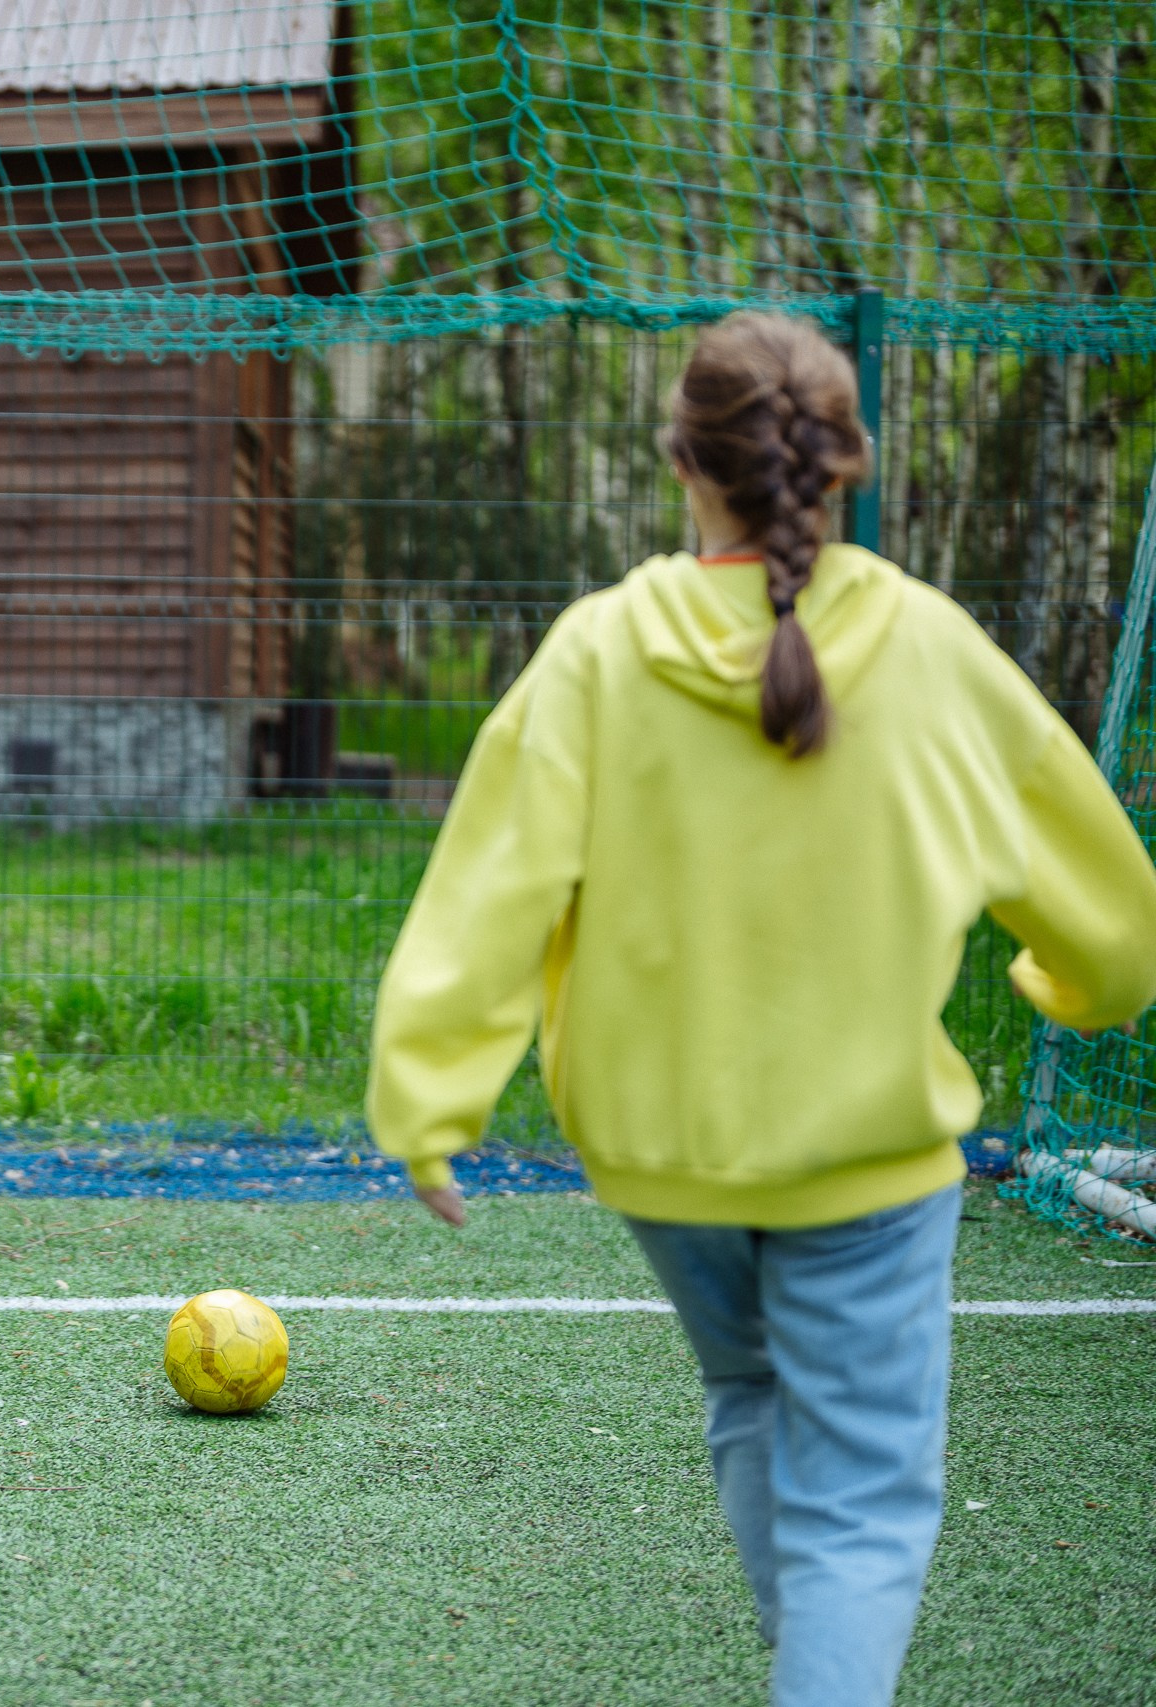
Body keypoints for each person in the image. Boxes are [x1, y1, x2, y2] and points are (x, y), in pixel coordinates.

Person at [367, 312, 1156, 1707]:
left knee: (750, 1400)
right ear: (848, 462)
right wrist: (1075, 983)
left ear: (685, 458)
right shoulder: (931, 647)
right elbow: (1107, 907)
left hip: (666, 1161)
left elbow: (488, 893)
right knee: (862, 1500)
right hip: (869, 1158)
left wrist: (431, 1100)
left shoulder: (598, 651)